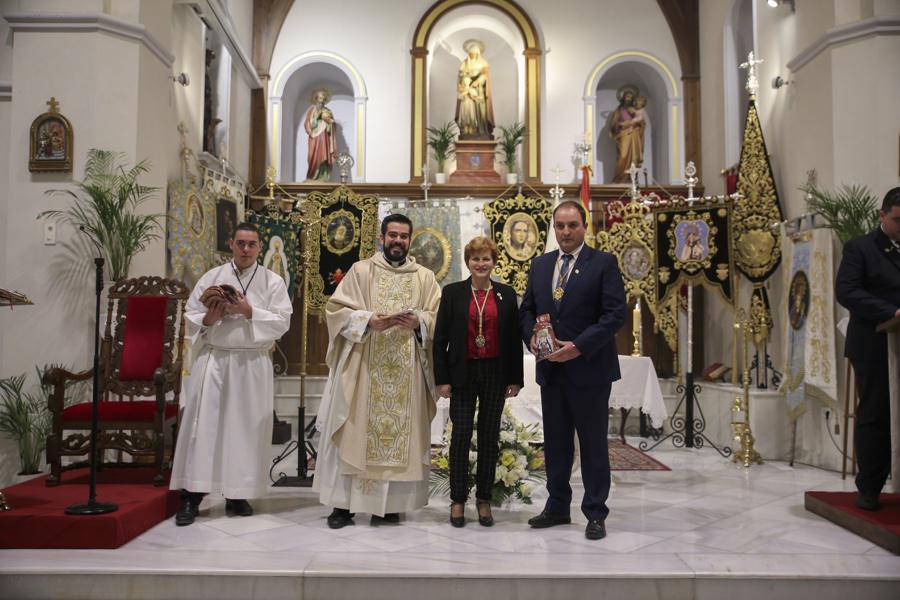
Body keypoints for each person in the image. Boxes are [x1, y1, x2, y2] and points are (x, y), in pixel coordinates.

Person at [315, 213, 442, 528]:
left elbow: (439, 317)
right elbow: (335, 310)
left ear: (410, 240)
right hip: (364, 369)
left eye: (403, 236)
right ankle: (342, 507)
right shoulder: (361, 271)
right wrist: (368, 320)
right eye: (393, 235)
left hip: (406, 370)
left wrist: (419, 322)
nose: (398, 241)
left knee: (398, 437)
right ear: (382, 238)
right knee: (353, 431)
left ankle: (386, 507)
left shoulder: (425, 277)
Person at [170, 223, 293, 526]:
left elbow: (282, 321)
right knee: (204, 428)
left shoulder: (272, 281)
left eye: (252, 244)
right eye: (240, 243)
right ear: (231, 244)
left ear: (260, 247)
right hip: (215, 359)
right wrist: (210, 319)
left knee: (246, 430)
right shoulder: (211, 278)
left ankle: (238, 493)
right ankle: (192, 496)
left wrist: (249, 311)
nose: (246, 249)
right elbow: (190, 317)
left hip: (251, 363)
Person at [519, 200, 627, 540]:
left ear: (584, 227)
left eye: (572, 225)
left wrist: (577, 346)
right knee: (556, 443)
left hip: (590, 370)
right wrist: (533, 342)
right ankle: (557, 506)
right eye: (560, 226)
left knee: (593, 444)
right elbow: (527, 310)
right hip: (552, 371)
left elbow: (614, 315)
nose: (566, 232)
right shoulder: (540, 265)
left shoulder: (603, 264)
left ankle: (595, 511)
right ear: (554, 228)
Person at [433, 236, 523, 528]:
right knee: (460, 437)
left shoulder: (506, 295)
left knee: (488, 437)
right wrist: (442, 379)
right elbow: (440, 339)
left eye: (486, 259)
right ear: (468, 262)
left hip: (496, 373)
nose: (481, 264)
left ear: (494, 262)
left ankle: (484, 499)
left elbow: (513, 341)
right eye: (476, 258)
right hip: (462, 372)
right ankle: (458, 500)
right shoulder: (453, 293)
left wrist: (516, 379)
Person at [835, 187, 900, 511]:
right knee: (875, 413)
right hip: (875, 343)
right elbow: (847, 292)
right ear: (882, 216)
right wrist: (892, 312)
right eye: (898, 220)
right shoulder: (860, 248)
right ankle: (870, 487)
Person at [455, 39, 494, 139]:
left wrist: (477, 81)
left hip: (479, 89)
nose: (472, 55)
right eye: (470, 53)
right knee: (467, 110)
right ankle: (468, 129)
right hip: (467, 89)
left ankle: (481, 130)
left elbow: (485, 74)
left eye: (474, 54)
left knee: (480, 110)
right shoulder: (465, 63)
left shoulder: (483, 62)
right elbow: (461, 76)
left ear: (478, 53)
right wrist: (465, 81)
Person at [606, 85, 645, 183]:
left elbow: (642, 123)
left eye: (631, 97)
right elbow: (614, 124)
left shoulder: (635, 110)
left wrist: (637, 123)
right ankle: (619, 178)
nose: (629, 99)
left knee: (633, 158)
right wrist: (619, 125)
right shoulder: (619, 111)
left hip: (633, 135)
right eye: (627, 97)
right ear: (623, 98)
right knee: (623, 156)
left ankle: (631, 179)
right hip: (623, 135)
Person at [304, 88, 337, 181]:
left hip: (324, 136)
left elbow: (332, 124)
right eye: (319, 98)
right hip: (314, 136)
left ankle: (324, 176)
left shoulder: (328, 111)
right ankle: (312, 175)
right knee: (313, 156)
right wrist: (316, 119)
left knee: (324, 154)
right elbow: (307, 123)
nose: (321, 101)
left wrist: (328, 121)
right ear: (316, 99)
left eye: (323, 99)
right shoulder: (312, 110)